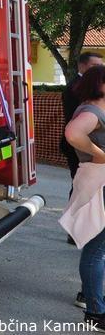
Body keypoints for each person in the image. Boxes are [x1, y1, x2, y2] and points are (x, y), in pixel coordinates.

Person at [62, 65, 105, 330]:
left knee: (98, 249)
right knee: (96, 250)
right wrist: (100, 154)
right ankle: (95, 311)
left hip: (97, 180)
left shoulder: (94, 108)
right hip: (99, 180)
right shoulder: (91, 111)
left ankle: (93, 298)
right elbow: (72, 133)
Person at [62, 52, 105, 244]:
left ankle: (80, 229)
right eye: (96, 65)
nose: (99, 67)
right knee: (84, 196)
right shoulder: (78, 93)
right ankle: (77, 230)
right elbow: (73, 132)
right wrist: (98, 153)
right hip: (88, 159)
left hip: (92, 160)